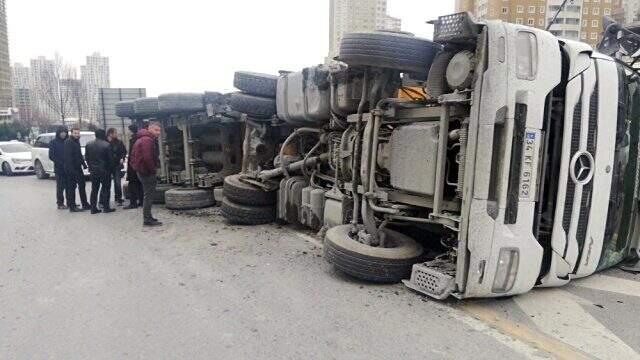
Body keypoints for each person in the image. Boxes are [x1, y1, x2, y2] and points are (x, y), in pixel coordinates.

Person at [132, 121, 162, 226]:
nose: (158, 133)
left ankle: (148, 217)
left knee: (147, 195)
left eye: (159, 131)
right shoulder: (147, 140)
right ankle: (147, 219)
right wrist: (153, 170)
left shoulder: (142, 138)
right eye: (156, 130)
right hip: (146, 172)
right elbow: (147, 157)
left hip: (142, 171)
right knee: (148, 196)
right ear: (150, 129)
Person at [85, 129, 115, 214]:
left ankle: (93, 208)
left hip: (93, 171)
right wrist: (110, 170)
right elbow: (110, 160)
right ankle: (106, 207)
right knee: (106, 189)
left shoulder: (89, 144)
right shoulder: (107, 145)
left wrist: (90, 167)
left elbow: (87, 158)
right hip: (104, 171)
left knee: (94, 190)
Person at [64, 127, 90, 212]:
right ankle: (72, 206)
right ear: (71, 133)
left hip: (78, 167)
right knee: (72, 187)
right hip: (71, 168)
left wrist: (84, 164)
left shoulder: (76, 141)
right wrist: (71, 170)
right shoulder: (68, 142)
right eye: (75, 133)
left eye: (78, 133)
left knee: (82, 185)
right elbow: (68, 158)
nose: (77, 134)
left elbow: (78, 154)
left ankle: (85, 203)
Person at [48, 126, 69, 210]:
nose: (63, 134)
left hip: (68, 167)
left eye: (65, 132)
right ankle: (60, 203)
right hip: (59, 168)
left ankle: (70, 202)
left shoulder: (68, 141)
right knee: (60, 187)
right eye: (62, 132)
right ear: (58, 133)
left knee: (69, 186)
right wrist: (60, 163)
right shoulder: (53, 142)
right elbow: (51, 156)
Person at [124, 124, 144, 209]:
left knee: (132, 184)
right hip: (137, 165)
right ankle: (141, 201)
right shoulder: (138, 139)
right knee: (139, 183)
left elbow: (133, 154)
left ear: (131, 131)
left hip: (133, 166)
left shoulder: (134, 140)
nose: (127, 132)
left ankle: (133, 203)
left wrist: (132, 165)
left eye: (128, 130)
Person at [107, 128, 127, 206]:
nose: (116, 134)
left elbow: (124, 151)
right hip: (107, 166)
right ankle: (104, 200)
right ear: (110, 134)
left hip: (116, 165)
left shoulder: (119, 142)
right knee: (106, 183)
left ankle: (118, 198)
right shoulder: (105, 142)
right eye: (115, 133)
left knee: (117, 182)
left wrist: (122, 157)